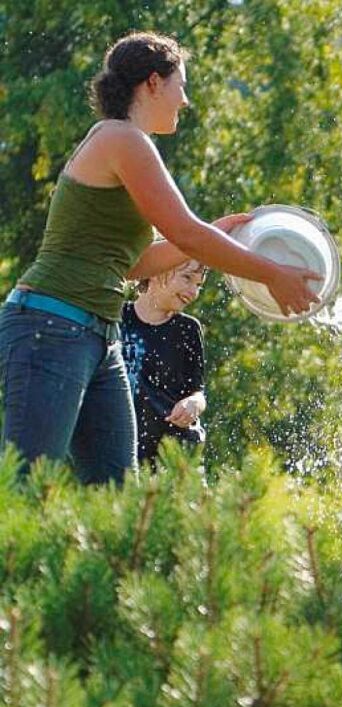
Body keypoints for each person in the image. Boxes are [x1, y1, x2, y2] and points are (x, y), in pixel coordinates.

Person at [0, 31, 317, 485]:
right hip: (50, 327)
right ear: (153, 83)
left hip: (97, 334)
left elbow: (132, 263)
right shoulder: (121, 139)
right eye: (181, 85)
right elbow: (185, 231)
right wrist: (272, 274)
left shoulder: (130, 144)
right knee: (24, 488)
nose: (185, 100)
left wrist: (216, 233)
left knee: (119, 495)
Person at [122, 259, 208, 464]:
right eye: (187, 278)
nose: (193, 292)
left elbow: (197, 392)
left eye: (198, 285)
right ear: (155, 271)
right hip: (120, 448)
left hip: (173, 454)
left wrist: (194, 403)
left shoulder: (187, 330)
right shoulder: (116, 317)